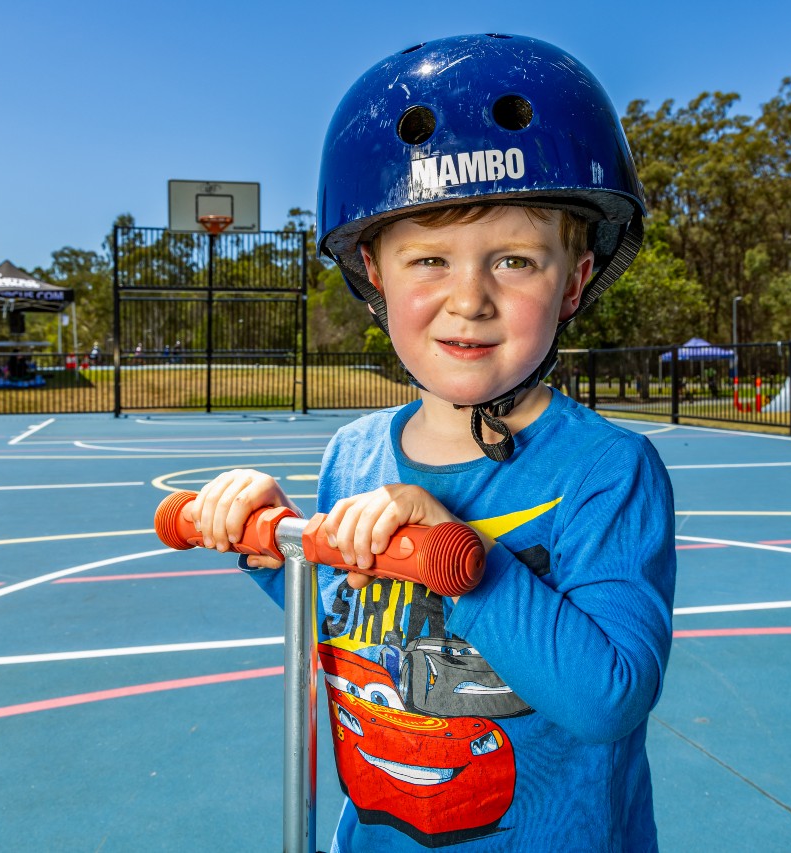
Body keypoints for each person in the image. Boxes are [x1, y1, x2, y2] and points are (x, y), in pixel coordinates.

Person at [188, 34, 675, 852]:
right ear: (375, 275)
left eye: (515, 260)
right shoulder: (353, 453)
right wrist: (282, 551)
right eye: (429, 260)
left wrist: (458, 552)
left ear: (576, 280)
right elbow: (361, 626)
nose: (470, 299)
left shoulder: (606, 469)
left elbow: (609, 699)